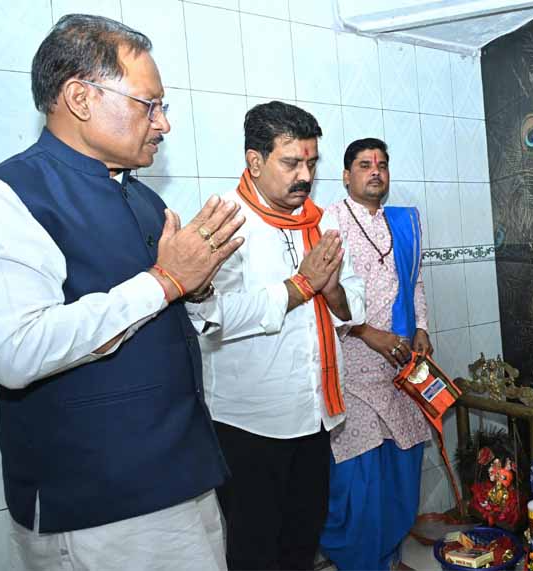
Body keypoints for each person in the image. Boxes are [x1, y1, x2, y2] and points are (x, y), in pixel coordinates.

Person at [0, 14, 245, 571]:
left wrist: (196, 289)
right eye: (149, 105)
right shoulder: (0, 198)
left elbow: (171, 316)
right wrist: (165, 281)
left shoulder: (143, 199)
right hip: (100, 506)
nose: (163, 124)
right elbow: (16, 352)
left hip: (185, 476)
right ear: (80, 98)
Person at [187, 101, 365, 570]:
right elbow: (209, 317)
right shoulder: (224, 222)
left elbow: (353, 304)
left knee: (302, 542)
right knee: (254, 551)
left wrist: (331, 290)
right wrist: (300, 286)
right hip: (250, 425)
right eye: (291, 163)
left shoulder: (322, 220)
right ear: (255, 161)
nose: (305, 176)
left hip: (315, 415)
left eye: (312, 163)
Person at [319, 138, 433, 571]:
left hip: (400, 367)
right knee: (359, 475)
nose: (375, 172)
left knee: (401, 466)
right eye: (365, 164)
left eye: (382, 164)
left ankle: (388, 557)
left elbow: (414, 281)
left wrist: (421, 327)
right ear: (346, 175)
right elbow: (323, 292)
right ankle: (359, 561)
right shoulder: (330, 220)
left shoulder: (401, 223)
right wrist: (367, 333)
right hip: (352, 366)